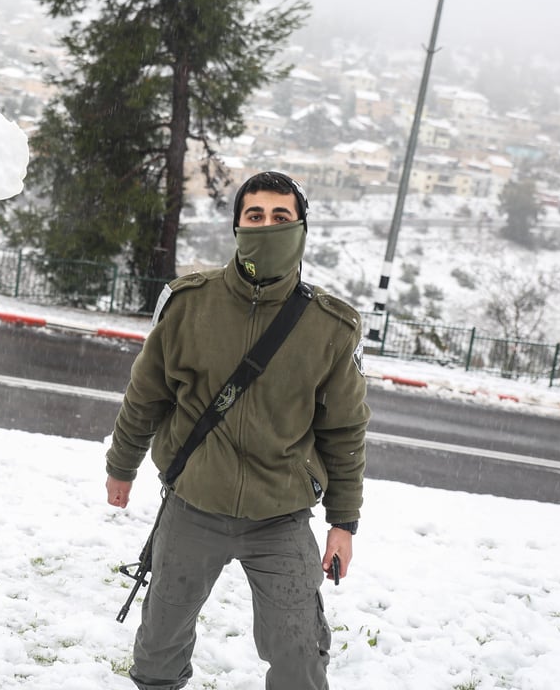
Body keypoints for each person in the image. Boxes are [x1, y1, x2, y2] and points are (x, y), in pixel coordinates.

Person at [105, 171, 370, 690]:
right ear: (237, 226)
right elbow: (146, 396)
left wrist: (344, 522)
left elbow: (345, 431)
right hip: (192, 506)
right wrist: (122, 466)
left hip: (281, 517)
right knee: (158, 650)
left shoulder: (331, 327)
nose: (267, 227)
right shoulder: (187, 304)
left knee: (299, 659)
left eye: (280, 217)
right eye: (255, 216)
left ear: (301, 228)